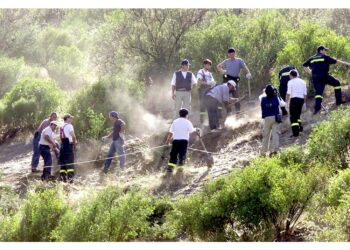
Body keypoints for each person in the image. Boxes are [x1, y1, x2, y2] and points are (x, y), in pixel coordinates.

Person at [303, 45, 350, 114]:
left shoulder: (311, 58)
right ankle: (339, 101)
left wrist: (310, 72)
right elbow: (336, 61)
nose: (325, 52)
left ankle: (317, 109)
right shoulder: (324, 56)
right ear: (321, 50)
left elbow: (304, 65)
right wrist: (346, 63)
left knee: (318, 93)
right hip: (324, 76)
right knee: (337, 83)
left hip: (316, 78)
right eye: (325, 50)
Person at [216, 47, 252, 112]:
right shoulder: (226, 61)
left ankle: (238, 111)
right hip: (227, 79)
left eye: (233, 54)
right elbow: (218, 66)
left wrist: (248, 72)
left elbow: (244, 67)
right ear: (228, 55)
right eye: (230, 54)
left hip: (235, 80)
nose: (231, 56)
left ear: (235, 54)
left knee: (235, 95)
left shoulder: (239, 60)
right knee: (226, 96)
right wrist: (222, 71)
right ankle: (229, 112)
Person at [165, 108, 199, 173]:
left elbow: (171, 132)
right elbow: (192, 130)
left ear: (179, 114)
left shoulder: (175, 121)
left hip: (175, 141)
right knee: (182, 155)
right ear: (186, 115)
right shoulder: (188, 122)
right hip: (184, 141)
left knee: (173, 154)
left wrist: (167, 141)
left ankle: (170, 168)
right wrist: (196, 130)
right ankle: (180, 169)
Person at [286, 70, 307, 137]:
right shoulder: (303, 81)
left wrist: (286, 102)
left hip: (294, 99)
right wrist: (304, 102)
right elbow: (305, 94)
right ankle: (300, 128)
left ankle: (295, 133)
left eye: (289, 76)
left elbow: (288, 93)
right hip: (301, 100)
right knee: (298, 115)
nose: (289, 77)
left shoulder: (290, 82)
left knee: (293, 117)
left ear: (291, 75)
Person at [260, 84, 281, 156]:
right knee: (275, 134)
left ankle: (263, 152)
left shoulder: (263, 99)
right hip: (275, 117)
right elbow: (282, 104)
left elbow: (263, 107)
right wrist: (277, 94)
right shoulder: (276, 98)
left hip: (267, 118)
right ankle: (273, 151)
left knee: (266, 135)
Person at [58, 114, 77, 183]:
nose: (71, 120)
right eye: (71, 118)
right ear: (67, 118)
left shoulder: (61, 126)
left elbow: (60, 137)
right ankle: (71, 180)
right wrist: (74, 144)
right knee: (70, 162)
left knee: (63, 163)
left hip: (62, 146)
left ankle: (63, 180)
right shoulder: (69, 126)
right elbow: (73, 136)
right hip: (68, 145)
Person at [197, 59, 216, 124]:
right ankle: (202, 120)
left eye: (210, 65)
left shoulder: (210, 74)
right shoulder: (200, 71)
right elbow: (199, 81)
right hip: (202, 89)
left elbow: (212, 82)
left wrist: (213, 83)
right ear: (204, 65)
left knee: (210, 104)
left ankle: (210, 121)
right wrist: (207, 83)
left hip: (209, 90)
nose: (209, 66)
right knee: (202, 105)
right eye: (208, 65)